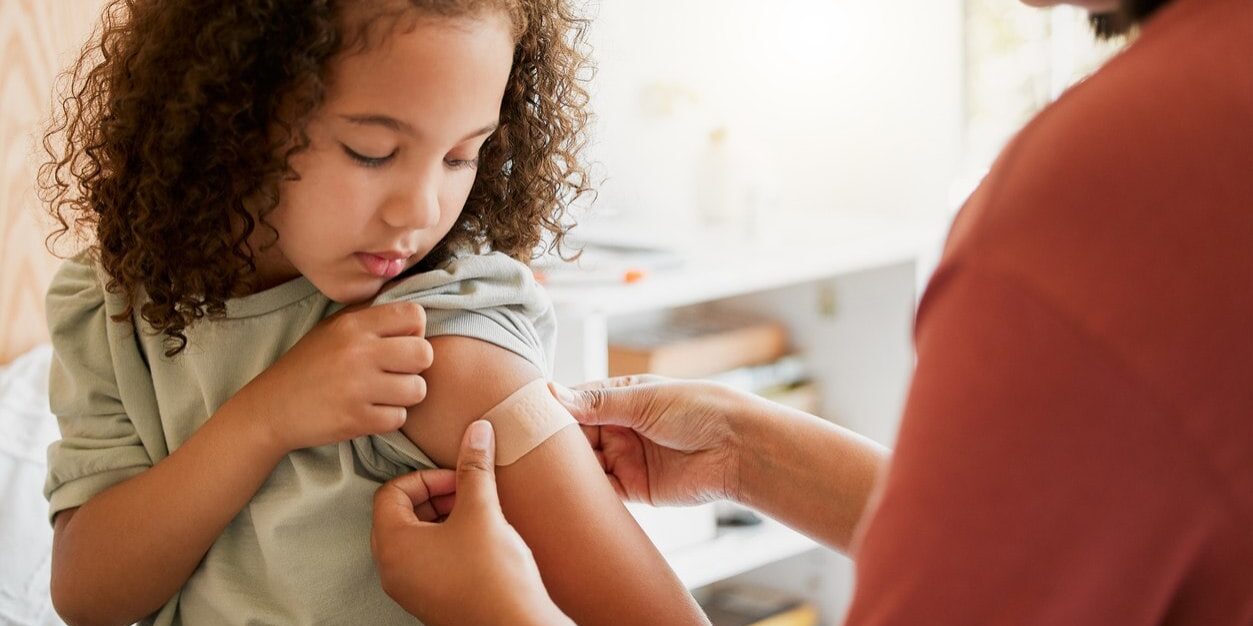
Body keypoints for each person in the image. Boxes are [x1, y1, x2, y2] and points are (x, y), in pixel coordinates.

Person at [370, 0, 1253, 623]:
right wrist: (745, 453)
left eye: (463, 156)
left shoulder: (1104, 194)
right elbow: (1067, 543)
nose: (414, 207)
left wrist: (513, 616)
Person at [40, 1, 708, 625]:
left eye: (460, 156)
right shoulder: (115, 303)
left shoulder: (438, 340)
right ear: (233, 114)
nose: (420, 211)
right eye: (372, 152)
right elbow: (88, 596)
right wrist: (264, 419)